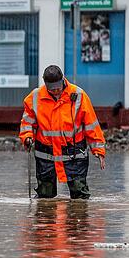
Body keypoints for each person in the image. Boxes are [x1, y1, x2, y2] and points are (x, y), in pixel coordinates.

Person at [19, 65, 106, 199]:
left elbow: (91, 125)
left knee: (80, 196)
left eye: (58, 88)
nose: (55, 92)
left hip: (74, 154)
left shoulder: (78, 96)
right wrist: (27, 137)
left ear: (63, 80)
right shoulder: (35, 97)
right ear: (46, 85)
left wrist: (99, 150)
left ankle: (79, 219)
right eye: (51, 89)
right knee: (45, 197)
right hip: (46, 154)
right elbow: (27, 123)